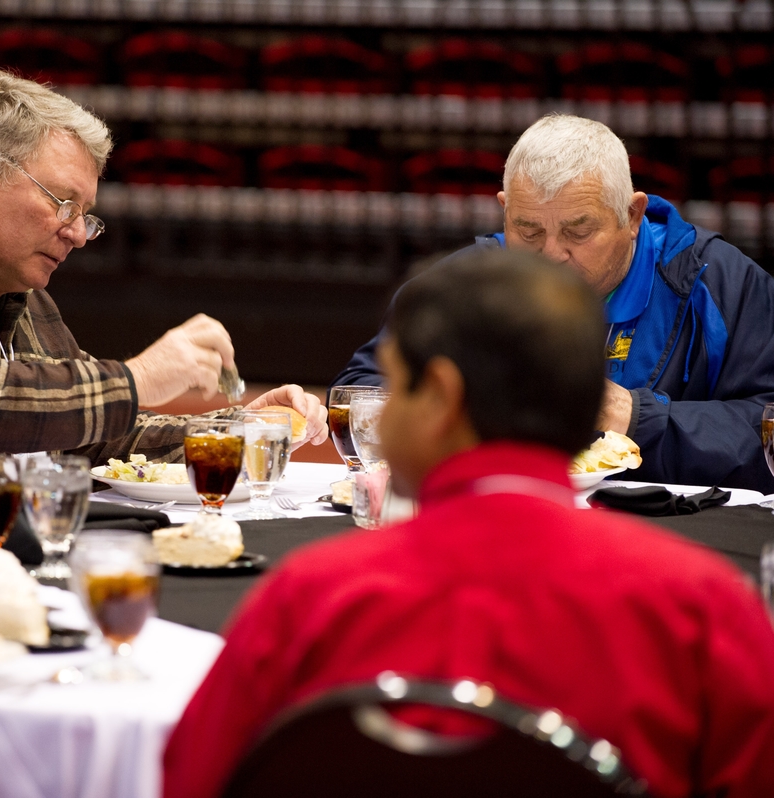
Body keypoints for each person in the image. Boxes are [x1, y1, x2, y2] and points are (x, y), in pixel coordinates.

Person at [164, 249, 774, 798]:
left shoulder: (310, 599)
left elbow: (192, 780)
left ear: (442, 398)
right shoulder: (703, 611)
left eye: (396, 385)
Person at [0, 69, 327, 508]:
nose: (78, 233)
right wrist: (137, 378)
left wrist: (237, 430)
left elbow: (95, 431)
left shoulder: (22, 292)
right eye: (63, 203)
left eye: (85, 214)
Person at [332, 114, 774, 492]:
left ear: (633, 216)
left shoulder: (716, 282)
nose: (552, 255)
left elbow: (766, 426)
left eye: (579, 233)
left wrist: (638, 418)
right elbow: (364, 397)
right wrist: (321, 412)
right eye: (528, 232)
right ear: (505, 211)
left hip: (678, 533)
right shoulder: (461, 287)